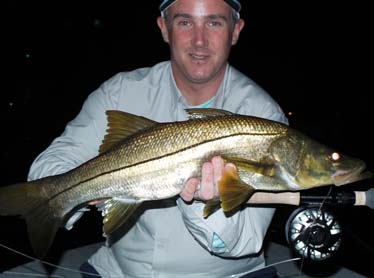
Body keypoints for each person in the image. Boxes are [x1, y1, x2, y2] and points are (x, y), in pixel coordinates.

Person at [28, 0, 288, 277]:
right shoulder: (120, 93)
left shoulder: (264, 118)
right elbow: (49, 168)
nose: (199, 41)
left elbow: (245, 241)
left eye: (214, 22)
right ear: (164, 28)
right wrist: (91, 190)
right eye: (185, 22)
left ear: (235, 30)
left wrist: (200, 201)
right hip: (119, 271)